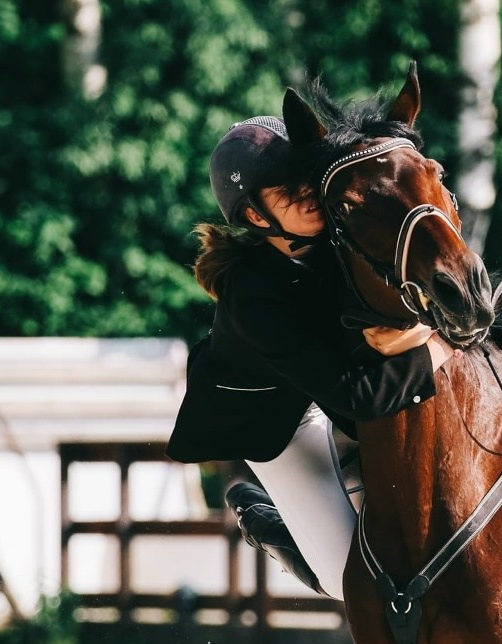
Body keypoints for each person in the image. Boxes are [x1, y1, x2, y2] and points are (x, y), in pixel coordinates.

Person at [166, 115, 454, 600]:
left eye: (308, 181)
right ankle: (268, 523)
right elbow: (358, 395)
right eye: (288, 191)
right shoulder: (250, 294)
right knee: (353, 583)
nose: (308, 193)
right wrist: (444, 343)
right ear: (257, 216)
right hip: (276, 423)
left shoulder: (339, 238)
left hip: (331, 388)